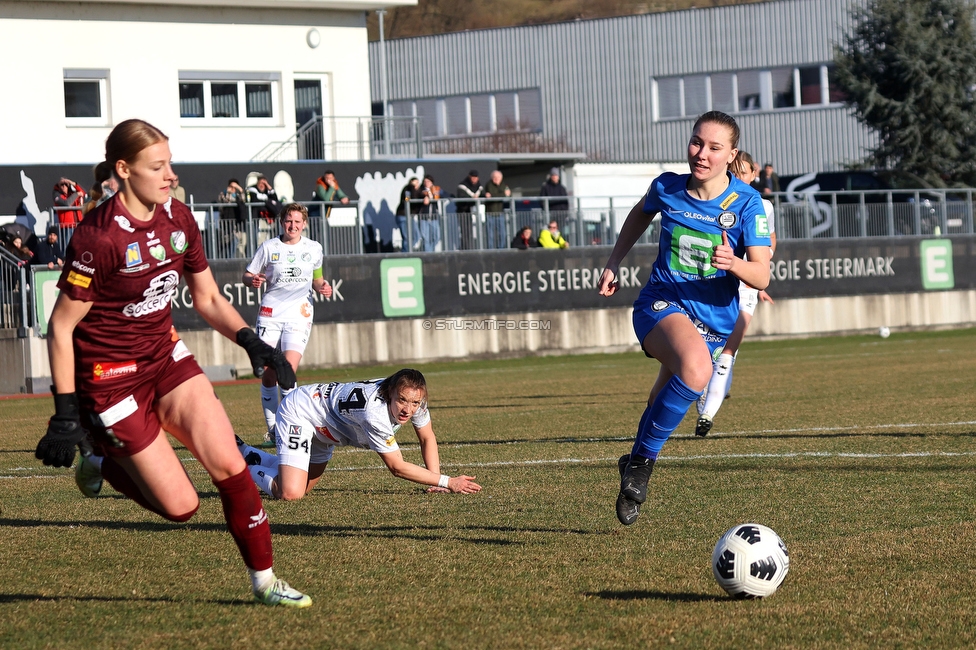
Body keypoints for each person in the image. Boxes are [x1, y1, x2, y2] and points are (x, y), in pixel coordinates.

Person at [33, 118, 313, 608]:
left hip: (166, 359)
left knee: (231, 467)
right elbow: (60, 327)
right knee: (182, 507)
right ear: (123, 170)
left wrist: (252, 342)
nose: (170, 175)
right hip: (111, 381)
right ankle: (97, 456)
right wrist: (64, 413)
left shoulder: (178, 217)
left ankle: (266, 581)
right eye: (157, 166)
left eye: (170, 163)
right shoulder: (97, 238)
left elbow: (206, 298)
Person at [597, 110, 770, 526]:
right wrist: (613, 261)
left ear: (731, 155)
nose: (702, 154)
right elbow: (641, 213)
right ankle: (643, 464)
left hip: (713, 321)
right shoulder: (667, 187)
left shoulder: (747, 203)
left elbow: (761, 273)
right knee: (696, 370)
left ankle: (633, 461)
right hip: (661, 302)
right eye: (697, 142)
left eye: (714, 147)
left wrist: (735, 264)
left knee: (661, 401)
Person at [234, 369, 482, 501]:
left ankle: (246, 453)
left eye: (415, 403)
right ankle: (236, 459)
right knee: (290, 493)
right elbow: (396, 467)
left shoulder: (415, 399)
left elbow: (427, 437)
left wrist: (434, 479)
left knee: (303, 488)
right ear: (390, 394)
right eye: (402, 401)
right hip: (302, 411)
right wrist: (448, 482)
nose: (408, 409)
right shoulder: (374, 413)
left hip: (328, 430)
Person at [695, 150, 776, 436]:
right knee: (704, 348)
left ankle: (707, 413)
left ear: (754, 174)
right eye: (736, 171)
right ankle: (697, 386)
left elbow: (769, 244)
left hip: (747, 288)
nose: (741, 177)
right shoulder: (720, 199)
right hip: (718, 284)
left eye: (745, 172)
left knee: (728, 351)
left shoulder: (761, 205)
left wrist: (758, 272)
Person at [243, 202, 332, 444]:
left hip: (300, 313)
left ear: (304, 224)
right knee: (269, 374)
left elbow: (317, 279)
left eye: (297, 221)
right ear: (281, 222)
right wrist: (252, 280)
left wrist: (322, 287)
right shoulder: (269, 247)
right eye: (288, 221)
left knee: (288, 372)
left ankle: (288, 425)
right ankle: (272, 429)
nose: (292, 225)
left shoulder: (313, 248)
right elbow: (248, 274)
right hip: (271, 314)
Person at [247, 175, 282, 246]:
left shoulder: (267, 190)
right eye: (260, 183)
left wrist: (268, 186)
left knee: (271, 235)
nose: (262, 185)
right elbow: (255, 199)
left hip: (269, 218)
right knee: (260, 237)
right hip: (258, 218)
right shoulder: (252, 189)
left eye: (264, 184)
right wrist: (268, 200)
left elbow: (275, 198)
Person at [217, 179, 247, 258]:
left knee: (234, 241)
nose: (233, 189)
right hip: (225, 225)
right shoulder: (223, 194)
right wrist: (228, 191)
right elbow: (226, 200)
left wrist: (239, 189)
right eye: (231, 186)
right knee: (225, 244)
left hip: (235, 225)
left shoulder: (238, 196)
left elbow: (244, 199)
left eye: (235, 187)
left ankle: (230, 259)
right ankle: (226, 259)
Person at [455, 170, 483, 250]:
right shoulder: (463, 186)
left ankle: (470, 247)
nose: (474, 179)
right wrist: (472, 198)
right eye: (472, 177)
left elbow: (482, 194)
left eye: (475, 177)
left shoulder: (479, 187)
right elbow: (461, 197)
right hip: (463, 211)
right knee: (464, 231)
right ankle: (464, 248)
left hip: (472, 212)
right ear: (469, 177)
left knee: (470, 231)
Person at [483, 170, 511, 249]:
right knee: (490, 235)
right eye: (494, 177)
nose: (496, 179)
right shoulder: (488, 185)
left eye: (498, 177)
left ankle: (501, 249)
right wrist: (503, 194)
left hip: (500, 213)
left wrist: (503, 194)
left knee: (502, 233)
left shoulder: (504, 185)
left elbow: (509, 194)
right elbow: (492, 196)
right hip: (490, 213)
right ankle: (490, 250)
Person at [395, 177, 422, 252]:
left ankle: (407, 250)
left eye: (418, 183)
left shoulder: (419, 191)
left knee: (416, 236)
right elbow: (407, 199)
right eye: (415, 182)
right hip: (402, 215)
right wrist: (412, 187)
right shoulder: (407, 189)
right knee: (406, 237)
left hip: (410, 216)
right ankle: (405, 253)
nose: (417, 185)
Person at [418, 174, 441, 252]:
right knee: (426, 238)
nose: (426, 183)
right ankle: (429, 255)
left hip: (434, 217)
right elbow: (417, 196)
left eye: (428, 181)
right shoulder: (421, 190)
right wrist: (425, 197)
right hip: (424, 217)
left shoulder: (435, 189)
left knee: (436, 237)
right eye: (425, 181)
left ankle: (430, 251)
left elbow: (442, 195)